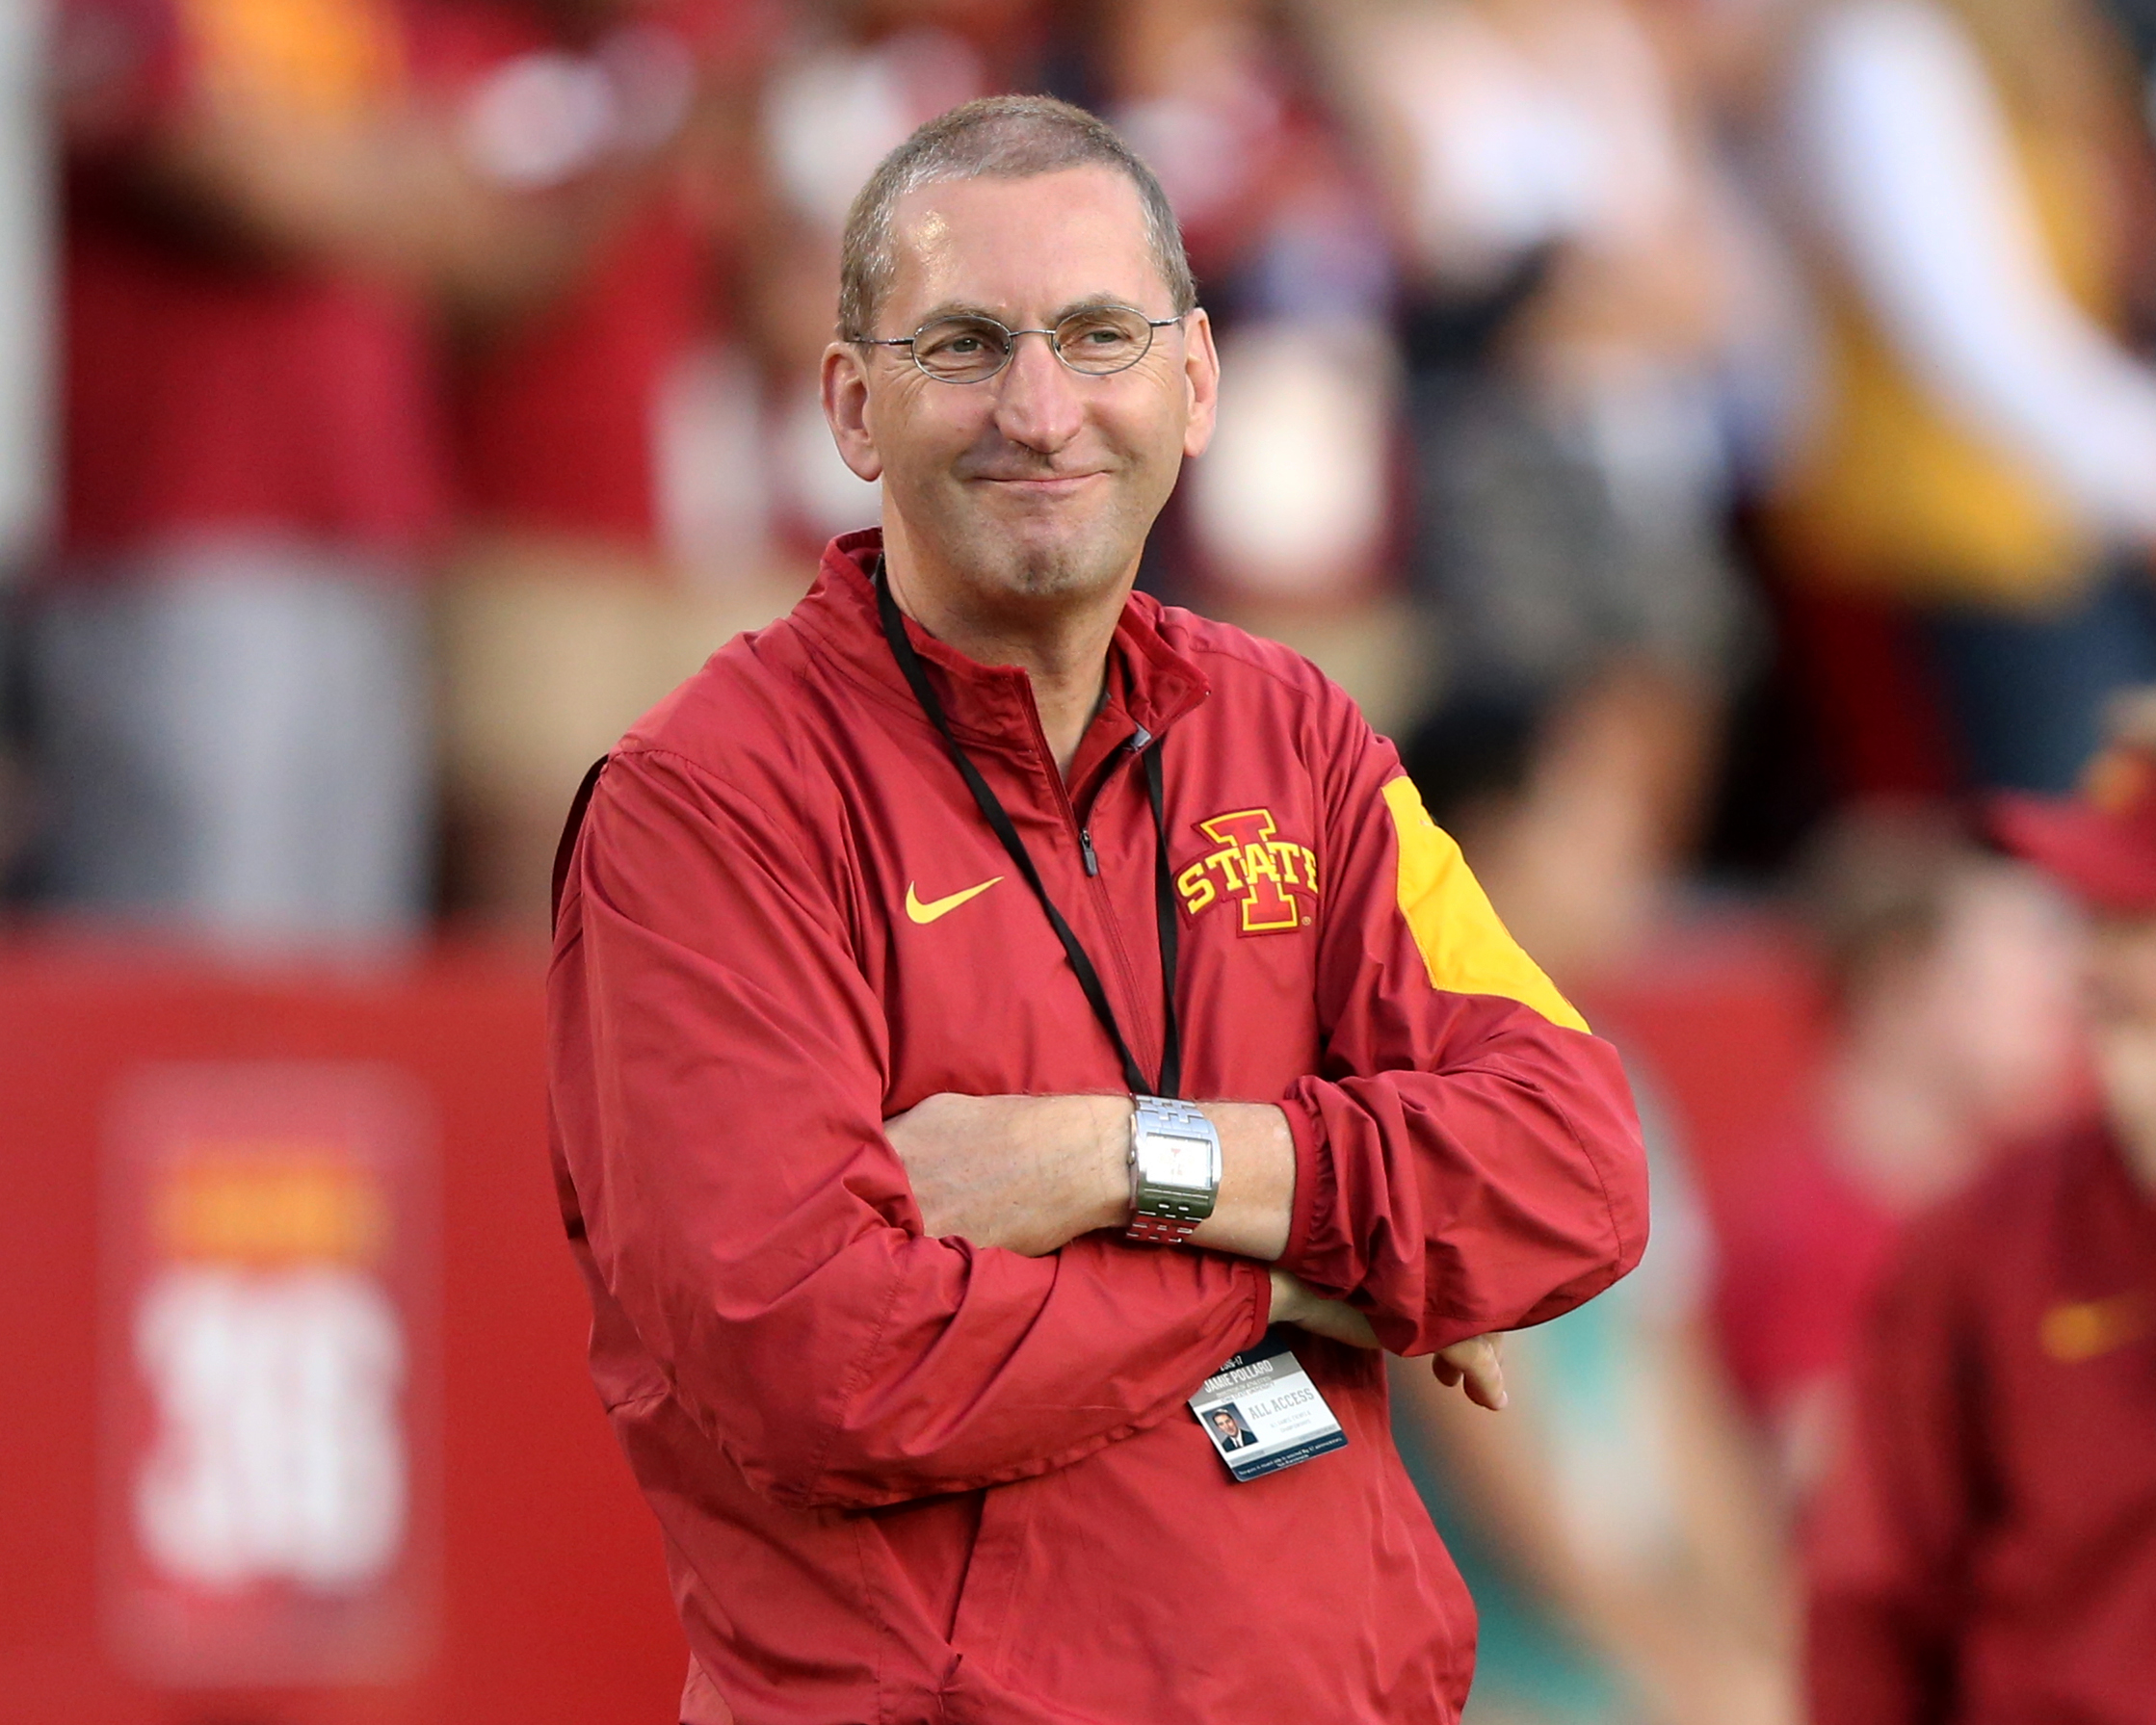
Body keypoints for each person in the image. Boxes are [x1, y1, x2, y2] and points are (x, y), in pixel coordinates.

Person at [547, 95, 1648, 1725]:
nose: (1040, 408)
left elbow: (1570, 1164)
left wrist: (1116, 1161)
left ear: (1194, 382)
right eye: (965, 346)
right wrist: (1292, 1274)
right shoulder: (702, 808)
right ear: (852, 404)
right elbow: (817, 1366)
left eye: (1096, 334)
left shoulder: (1294, 735)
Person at [1804, 736, 2156, 1722]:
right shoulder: (1981, 1239)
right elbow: (1865, 1599)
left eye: (2129, 918)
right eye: (2092, 919)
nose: (2089, 958)